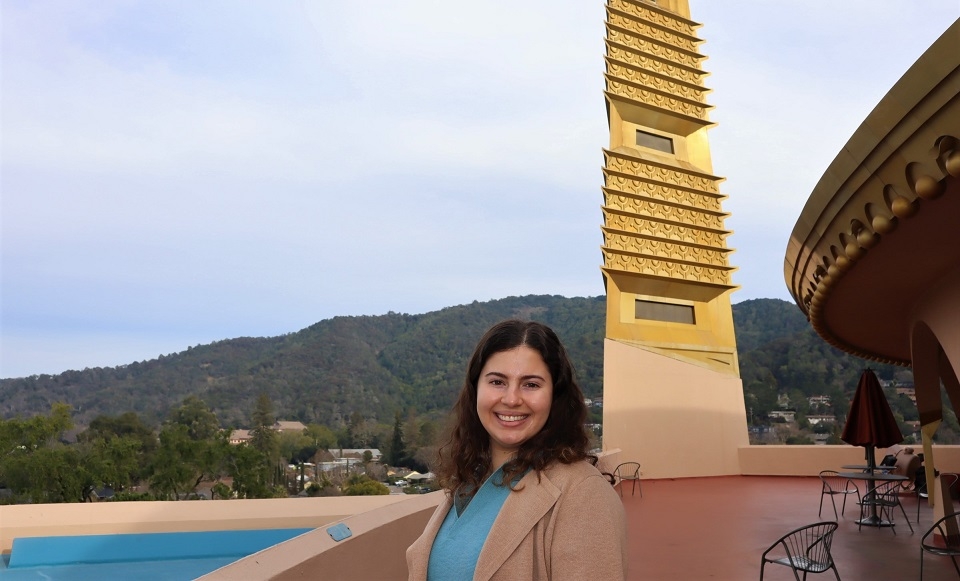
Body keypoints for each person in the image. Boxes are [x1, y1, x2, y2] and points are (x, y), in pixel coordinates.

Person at [406, 320, 628, 580]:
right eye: (497, 382)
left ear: (555, 396)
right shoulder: (470, 482)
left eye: (531, 384)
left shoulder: (582, 494)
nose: (511, 399)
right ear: (476, 389)